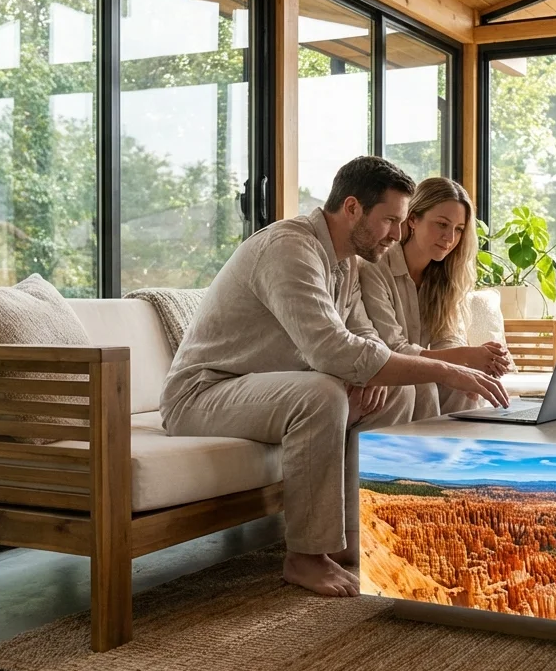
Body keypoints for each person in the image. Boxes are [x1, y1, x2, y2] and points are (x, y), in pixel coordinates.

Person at [160, 156, 509, 599]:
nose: (397, 234)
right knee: (322, 393)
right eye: (390, 221)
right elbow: (331, 348)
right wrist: (447, 369)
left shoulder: (345, 262)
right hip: (204, 393)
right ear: (351, 208)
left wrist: (381, 370)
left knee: (391, 391)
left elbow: (362, 337)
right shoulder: (290, 249)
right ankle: (306, 556)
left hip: (262, 391)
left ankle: (360, 538)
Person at [358, 177, 510, 420]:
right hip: (385, 369)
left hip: (413, 369)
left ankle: (460, 456)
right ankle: (425, 456)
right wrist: (466, 357)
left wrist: (469, 362)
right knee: (427, 383)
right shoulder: (376, 267)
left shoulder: (445, 276)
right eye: (441, 224)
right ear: (413, 220)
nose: (450, 237)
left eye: (459, 229)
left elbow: (446, 338)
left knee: (465, 387)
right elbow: (393, 348)